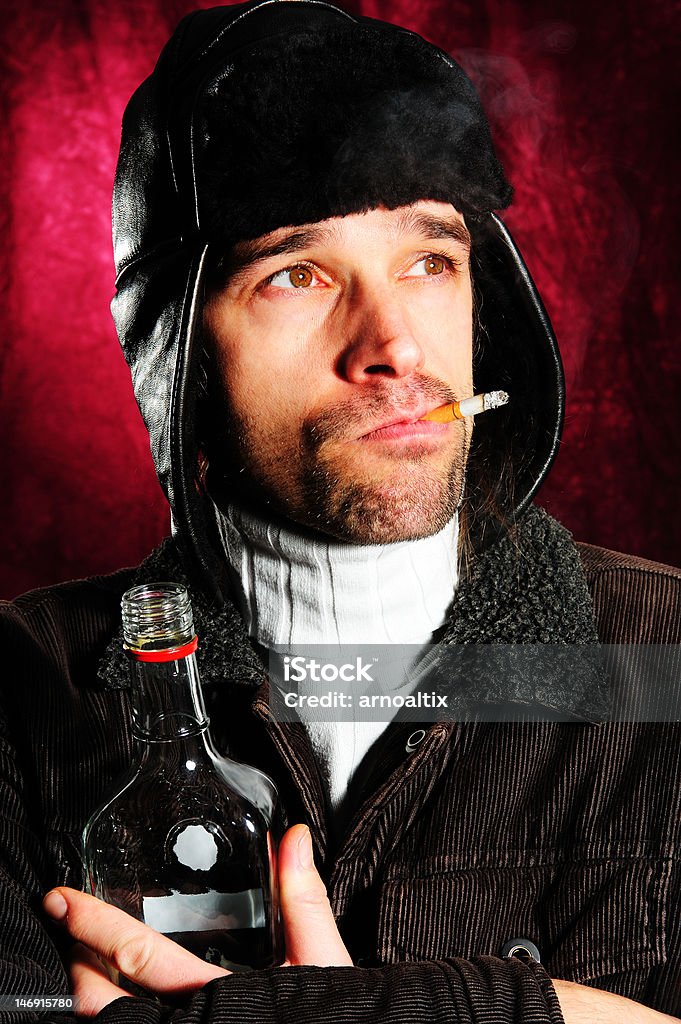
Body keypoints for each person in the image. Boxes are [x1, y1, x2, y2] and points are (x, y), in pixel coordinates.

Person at [1, 2, 679, 1022]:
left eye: (428, 260)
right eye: (297, 273)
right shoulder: (21, 690)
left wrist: (403, 1011)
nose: (396, 346)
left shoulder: (665, 656)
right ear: (175, 353)